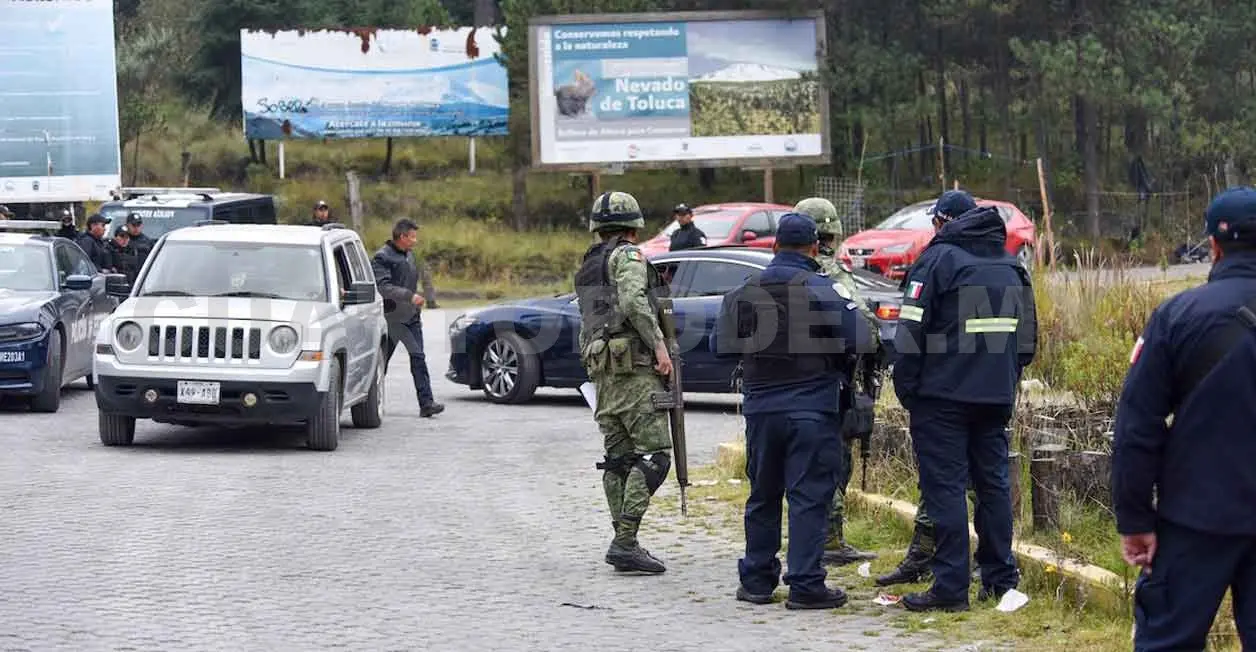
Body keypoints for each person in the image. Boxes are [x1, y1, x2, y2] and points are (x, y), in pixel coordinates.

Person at [1112, 186, 1256, 650]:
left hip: (1196, 516)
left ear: (1213, 245)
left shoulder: (1178, 316)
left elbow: (1137, 426)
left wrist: (1135, 518)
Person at [715, 212, 874, 609]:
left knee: (763, 495)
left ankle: (756, 582)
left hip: (762, 410)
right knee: (808, 497)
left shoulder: (745, 290)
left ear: (774, 247)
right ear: (815, 248)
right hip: (811, 409)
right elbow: (862, 337)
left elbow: (720, 346)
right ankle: (805, 584)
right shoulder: (824, 287)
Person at [891, 189, 1036, 612]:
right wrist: (1002, 376)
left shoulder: (937, 261)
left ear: (942, 222)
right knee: (993, 487)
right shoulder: (1011, 264)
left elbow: (910, 332)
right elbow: (1027, 341)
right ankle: (1000, 579)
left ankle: (951, 588)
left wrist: (908, 387)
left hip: (942, 398)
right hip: (995, 396)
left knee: (946, 489)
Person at [575, 191, 673, 575]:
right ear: (634, 227)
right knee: (655, 456)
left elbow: (586, 323)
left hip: (603, 374)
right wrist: (660, 346)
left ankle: (624, 541)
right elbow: (634, 301)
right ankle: (625, 541)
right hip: (634, 373)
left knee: (618, 460)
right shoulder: (629, 255)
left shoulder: (588, 264)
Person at [792, 196, 879, 566]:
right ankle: (829, 539)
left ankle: (807, 539)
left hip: (788, 387)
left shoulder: (781, 270)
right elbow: (863, 327)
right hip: (830, 383)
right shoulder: (832, 273)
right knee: (834, 461)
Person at [372, 218, 444, 418]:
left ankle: (426, 403)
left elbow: (418, 278)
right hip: (391, 319)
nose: (415, 240)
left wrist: (423, 299)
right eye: (412, 237)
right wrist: (409, 296)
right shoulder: (382, 258)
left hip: (411, 318)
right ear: (402, 237)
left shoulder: (410, 255)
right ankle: (369, 403)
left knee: (418, 358)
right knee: (380, 363)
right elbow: (383, 287)